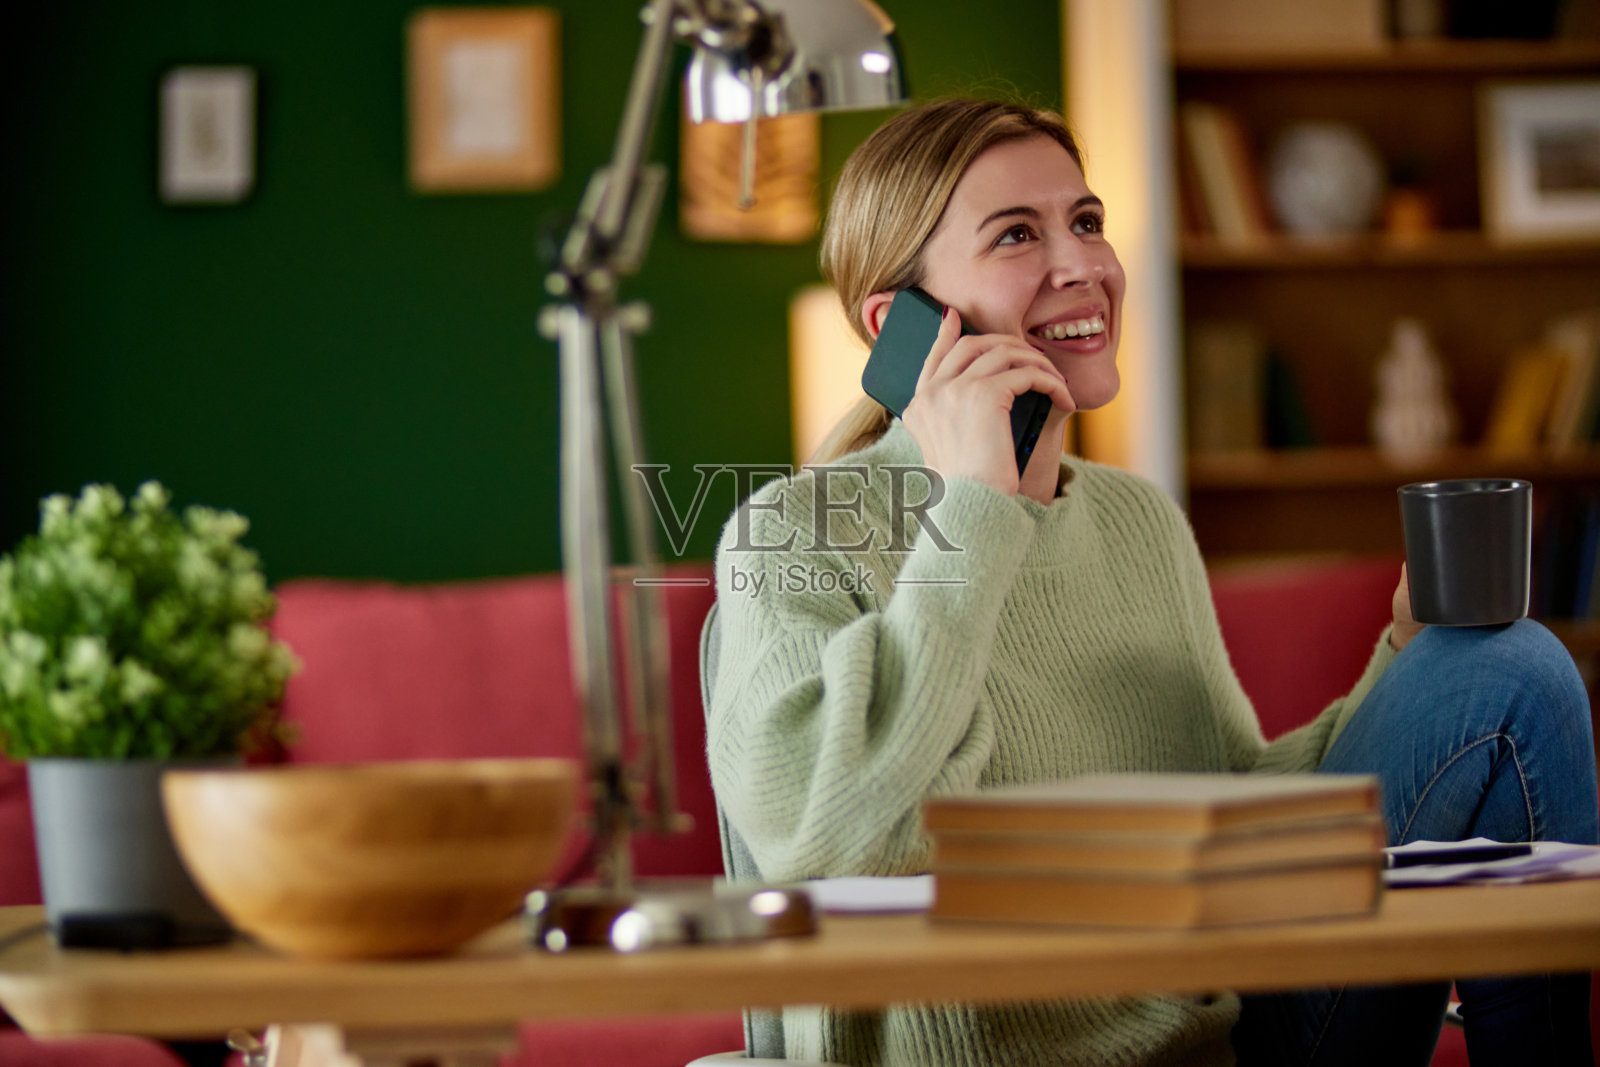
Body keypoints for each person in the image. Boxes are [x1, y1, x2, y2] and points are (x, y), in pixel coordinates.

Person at [705, 96, 1598, 1067]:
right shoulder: (792, 532)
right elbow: (835, 839)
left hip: (1224, 1038)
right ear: (901, 327)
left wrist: (1401, 656)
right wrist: (972, 509)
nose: (1082, 264)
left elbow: (1235, 808)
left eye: (1085, 222)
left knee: (1509, 664)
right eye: (1016, 233)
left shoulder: (1135, 520)